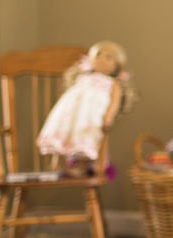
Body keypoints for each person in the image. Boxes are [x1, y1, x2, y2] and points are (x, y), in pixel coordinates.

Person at [36, 40, 137, 178]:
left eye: (108, 57)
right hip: (71, 116)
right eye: (98, 55)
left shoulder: (112, 84)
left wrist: (109, 117)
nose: (102, 60)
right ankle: (58, 161)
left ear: (117, 65)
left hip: (90, 119)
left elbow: (114, 103)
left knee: (86, 138)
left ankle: (81, 165)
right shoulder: (83, 78)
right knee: (63, 133)